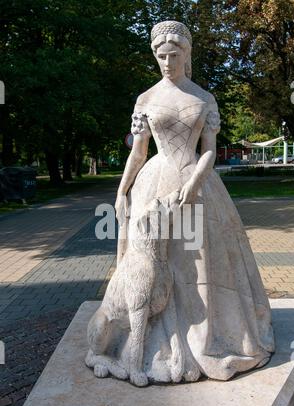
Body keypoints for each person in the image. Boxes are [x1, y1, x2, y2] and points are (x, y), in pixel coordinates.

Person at [88, 20, 275, 385]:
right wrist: (121, 190)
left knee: (198, 265)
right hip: (153, 185)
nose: (168, 62)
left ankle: (204, 336)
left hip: (196, 186)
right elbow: (138, 153)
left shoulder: (204, 98)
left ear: (187, 54)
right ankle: (141, 340)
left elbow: (210, 152)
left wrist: (194, 182)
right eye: (161, 56)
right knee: (148, 263)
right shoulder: (146, 98)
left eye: (174, 55)